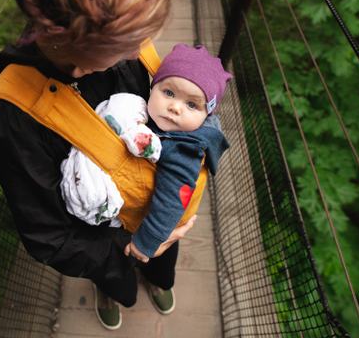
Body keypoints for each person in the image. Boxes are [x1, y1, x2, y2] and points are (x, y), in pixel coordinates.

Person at [0, 0, 194, 331]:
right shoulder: (15, 117)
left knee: (162, 261)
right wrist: (131, 246)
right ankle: (115, 287)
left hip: (158, 204)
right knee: (116, 276)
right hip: (103, 240)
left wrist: (166, 226)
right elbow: (49, 236)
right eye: (128, 42)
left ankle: (158, 277)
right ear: (79, 49)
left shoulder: (128, 54)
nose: (143, 49)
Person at [59, 43, 232, 265]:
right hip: (147, 214)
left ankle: (161, 284)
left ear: (206, 115)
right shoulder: (162, 122)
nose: (175, 107)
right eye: (168, 92)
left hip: (159, 226)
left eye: (191, 105)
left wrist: (146, 243)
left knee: (160, 264)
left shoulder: (184, 149)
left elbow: (172, 199)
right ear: (153, 87)